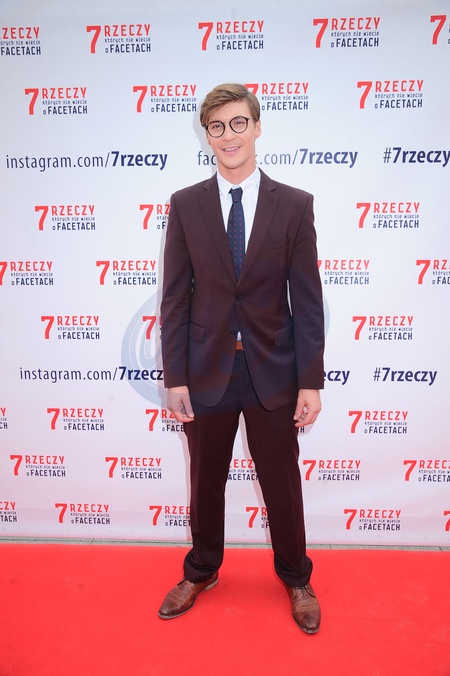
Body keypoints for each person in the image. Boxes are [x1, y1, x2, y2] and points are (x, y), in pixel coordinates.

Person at [159, 83, 325, 634]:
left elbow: (307, 300)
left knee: (281, 484)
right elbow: (175, 298)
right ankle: (201, 570)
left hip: (273, 370)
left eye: (237, 123)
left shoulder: (294, 204)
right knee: (205, 480)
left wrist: (310, 380)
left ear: (256, 128)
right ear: (206, 137)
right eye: (217, 127)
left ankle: (296, 578)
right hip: (206, 368)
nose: (228, 135)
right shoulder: (185, 204)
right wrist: (175, 377)